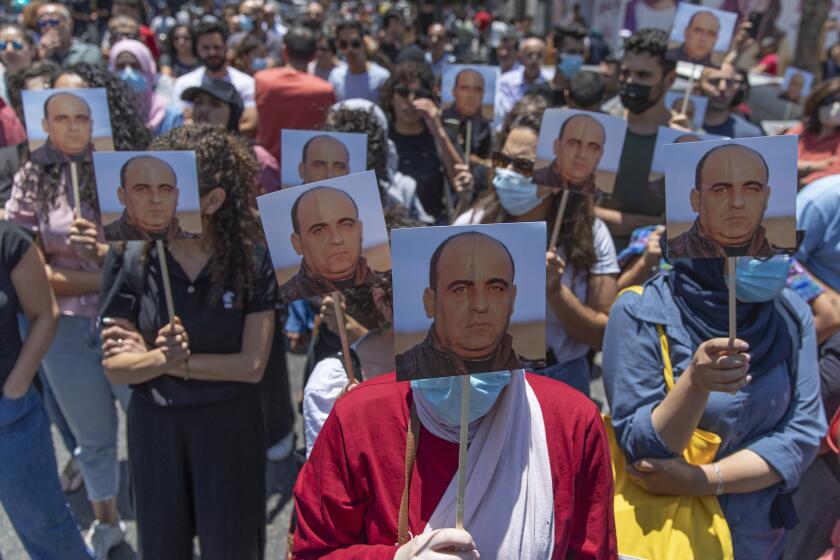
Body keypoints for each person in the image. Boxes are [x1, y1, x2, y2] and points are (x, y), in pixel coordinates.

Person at [99, 124, 275, 558]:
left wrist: (167, 361)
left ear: (213, 200)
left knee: (231, 549)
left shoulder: (251, 260)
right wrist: (157, 356)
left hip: (228, 430)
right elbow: (115, 367)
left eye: (174, 186)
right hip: (156, 429)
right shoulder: (129, 257)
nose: (159, 200)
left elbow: (252, 365)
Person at [5, 60, 150, 557]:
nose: (71, 123)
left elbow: (149, 260)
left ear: (98, 116)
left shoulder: (128, 171)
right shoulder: (31, 175)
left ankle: (162, 516)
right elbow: (29, 274)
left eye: (82, 113)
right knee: (92, 440)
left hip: (126, 321)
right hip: (63, 333)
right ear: (46, 120)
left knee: (150, 427)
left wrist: (107, 256)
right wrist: (108, 269)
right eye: (60, 114)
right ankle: (108, 525)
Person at [602, 254, 826, 559]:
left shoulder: (791, 312)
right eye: (750, 243)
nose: (774, 257)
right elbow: (643, 452)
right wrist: (695, 383)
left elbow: (803, 433)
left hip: (759, 541)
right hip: (671, 542)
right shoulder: (639, 311)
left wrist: (702, 480)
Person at [457, 109, 619, 395]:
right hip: (484, 380)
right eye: (502, 160)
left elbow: (602, 336)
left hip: (560, 377)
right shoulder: (471, 224)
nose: (507, 173)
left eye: (523, 165)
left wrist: (555, 292)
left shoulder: (592, 234)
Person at [0, 221, 91, 559]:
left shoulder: (7, 238)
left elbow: (44, 314)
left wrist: (17, 383)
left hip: (9, 418)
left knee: (45, 526)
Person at [396, 231, 524, 380]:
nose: (480, 305)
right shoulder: (400, 375)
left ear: (512, 299)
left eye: (496, 289)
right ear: (430, 302)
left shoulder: (536, 374)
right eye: (461, 290)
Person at [596, 28, 676, 250]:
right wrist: (644, 224)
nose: (630, 81)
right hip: (595, 259)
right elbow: (577, 210)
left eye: (643, 75)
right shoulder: (601, 127)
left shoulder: (683, 142)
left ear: (669, 80)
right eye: (625, 73)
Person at [303, 273, 394, 456]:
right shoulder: (329, 380)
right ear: (382, 300)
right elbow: (325, 475)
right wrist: (345, 428)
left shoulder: (454, 369)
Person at [381, 61, 472, 224]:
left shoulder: (439, 135)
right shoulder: (381, 137)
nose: (410, 100)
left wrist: (438, 128)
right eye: (403, 92)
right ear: (390, 97)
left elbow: (462, 182)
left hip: (430, 227)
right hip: (390, 229)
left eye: (418, 94)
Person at [667, 144, 776, 258]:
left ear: (766, 197)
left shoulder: (786, 261)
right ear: (696, 200)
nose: (737, 203)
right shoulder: (669, 256)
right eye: (721, 190)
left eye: (752, 189)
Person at [182, 77, 280, 196]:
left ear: (233, 113)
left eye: (215, 104)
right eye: (198, 102)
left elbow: (272, 212)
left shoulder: (258, 159)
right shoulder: (183, 152)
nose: (203, 109)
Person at [279, 186, 378, 302]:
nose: (337, 239)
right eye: (319, 230)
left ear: (360, 231)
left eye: (346, 225)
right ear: (297, 243)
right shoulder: (285, 299)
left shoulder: (387, 281)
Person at [254, 26, 335, 160]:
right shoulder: (324, 90)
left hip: (267, 168)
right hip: (306, 172)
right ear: (313, 55)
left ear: (284, 50)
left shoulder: (262, 80)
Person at [173, 20, 258, 136]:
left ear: (226, 47)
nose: (212, 52)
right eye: (206, 48)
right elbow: (180, 124)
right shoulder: (184, 84)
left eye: (217, 47)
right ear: (197, 48)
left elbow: (251, 123)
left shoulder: (246, 83)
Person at [103, 155, 187, 241]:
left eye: (165, 190)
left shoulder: (193, 241)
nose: (155, 200)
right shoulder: (102, 238)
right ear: (122, 196)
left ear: (176, 196)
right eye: (141, 190)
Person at [533, 113, 606, 195]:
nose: (582, 155)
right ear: (557, 147)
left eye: (593, 148)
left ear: (600, 155)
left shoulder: (602, 200)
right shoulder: (532, 182)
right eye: (573, 143)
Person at [785, 79, 840, 187]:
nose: (836, 106)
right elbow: (777, 160)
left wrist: (797, 169)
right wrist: (816, 165)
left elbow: (834, 172)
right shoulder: (801, 129)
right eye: (830, 100)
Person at [108, 39, 168, 134]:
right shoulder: (106, 114)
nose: (128, 72)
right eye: (121, 66)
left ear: (147, 68)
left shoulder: (169, 114)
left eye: (134, 65)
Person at [329, 20, 391, 103]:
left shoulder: (382, 77)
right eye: (344, 44)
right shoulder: (335, 76)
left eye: (355, 44)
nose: (349, 49)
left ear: (363, 42)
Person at [697, 63, 764, 138]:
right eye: (715, 81)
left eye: (729, 82)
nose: (722, 88)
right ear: (698, 85)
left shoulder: (750, 137)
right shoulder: (683, 124)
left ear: (736, 88)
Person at [495, 36, 547, 129]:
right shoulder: (506, 81)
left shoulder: (548, 83)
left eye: (539, 55)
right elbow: (509, 110)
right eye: (529, 55)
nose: (534, 59)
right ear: (521, 56)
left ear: (544, 58)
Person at [30, 91, 93, 165]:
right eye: (61, 119)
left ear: (91, 124)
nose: (73, 128)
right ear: (46, 125)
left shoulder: (105, 159)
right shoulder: (33, 162)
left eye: (81, 119)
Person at [35, 3, 102, 67]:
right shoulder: (34, 53)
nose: (47, 27)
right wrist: (43, 57)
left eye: (53, 22)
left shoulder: (88, 52)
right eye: (42, 24)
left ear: (69, 24)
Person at [226, 0, 283, 69]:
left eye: (246, 15)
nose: (241, 18)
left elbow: (273, 64)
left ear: (260, 16)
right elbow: (228, 62)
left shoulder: (274, 40)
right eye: (241, 14)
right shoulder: (234, 39)